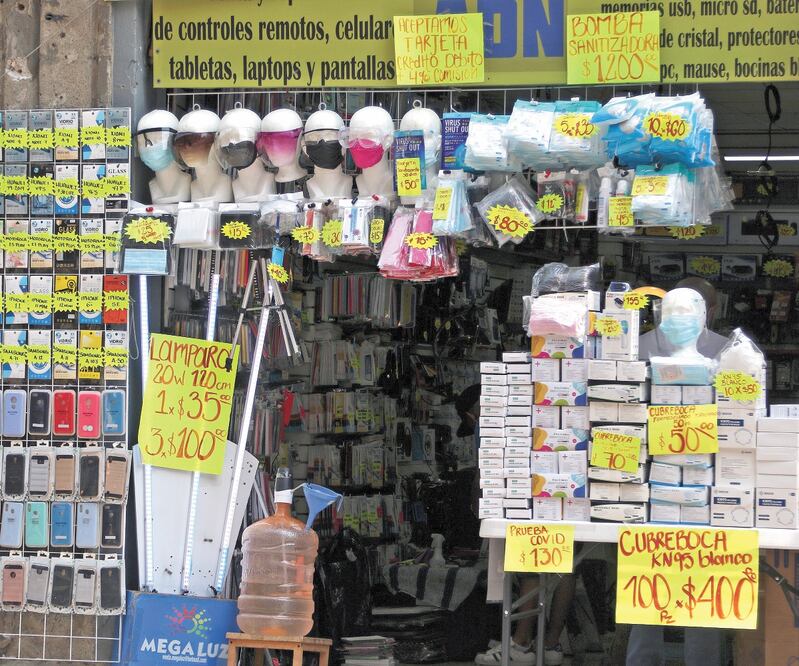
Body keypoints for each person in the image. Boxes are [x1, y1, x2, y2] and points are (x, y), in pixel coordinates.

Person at [627, 280, 725, 666]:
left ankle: (703, 659)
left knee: (704, 584)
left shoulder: (726, 352)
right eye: (672, 311)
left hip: (706, 486)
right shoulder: (637, 348)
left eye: (688, 311)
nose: (679, 319)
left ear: (707, 313)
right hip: (651, 484)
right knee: (647, 581)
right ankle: (643, 659)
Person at [456, 385, 573, 666]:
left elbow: (484, 471)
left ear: (472, 414)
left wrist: (481, 504)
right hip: (565, 489)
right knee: (567, 564)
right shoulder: (549, 411)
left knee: (528, 561)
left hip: (523, 498)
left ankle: (521, 643)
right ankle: (552, 644)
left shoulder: (490, 423)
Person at [638, 277, 727, 361]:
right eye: (668, 310)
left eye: (682, 310)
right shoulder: (638, 346)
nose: (674, 315)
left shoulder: (724, 348)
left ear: (703, 311)